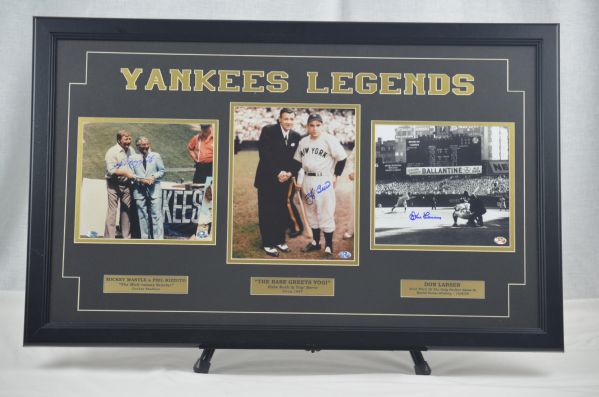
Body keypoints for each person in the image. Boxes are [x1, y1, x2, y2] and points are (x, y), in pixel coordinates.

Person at [294, 113, 347, 256]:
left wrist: (336, 175)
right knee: (310, 212)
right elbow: (298, 163)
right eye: (311, 125)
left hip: (323, 180)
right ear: (307, 126)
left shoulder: (329, 140)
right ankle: (315, 242)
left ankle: (329, 246)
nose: (314, 128)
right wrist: (299, 181)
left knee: (325, 212)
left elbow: (342, 158)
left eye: (318, 125)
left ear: (322, 126)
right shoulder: (303, 142)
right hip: (307, 180)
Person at [254, 108, 302, 257]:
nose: (288, 121)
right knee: (267, 211)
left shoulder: (296, 136)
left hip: (285, 180)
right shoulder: (268, 131)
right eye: (286, 118)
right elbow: (265, 154)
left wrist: (289, 173)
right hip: (267, 179)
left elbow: (297, 159)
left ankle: (280, 240)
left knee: (281, 211)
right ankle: (268, 243)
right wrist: (278, 172)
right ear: (280, 119)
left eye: (291, 119)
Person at [130, 137, 165, 239]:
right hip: (139, 190)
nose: (145, 147)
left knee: (156, 215)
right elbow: (130, 174)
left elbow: (162, 171)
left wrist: (154, 177)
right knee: (142, 216)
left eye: (147, 144)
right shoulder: (132, 158)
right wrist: (140, 180)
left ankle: (158, 239)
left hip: (155, 189)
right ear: (137, 146)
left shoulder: (156, 156)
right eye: (142, 145)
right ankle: (145, 239)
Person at [104, 129, 136, 239]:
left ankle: (126, 237)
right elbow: (112, 170)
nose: (129, 141)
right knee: (112, 211)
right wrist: (126, 173)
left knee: (126, 211)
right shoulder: (112, 152)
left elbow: (135, 163)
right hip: (113, 184)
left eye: (130, 138)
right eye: (126, 139)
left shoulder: (131, 150)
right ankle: (109, 239)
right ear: (119, 140)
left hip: (126, 184)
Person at [343, 145, 356, 240]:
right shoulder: (361, 144)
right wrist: (351, 171)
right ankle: (351, 230)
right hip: (359, 177)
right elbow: (350, 159)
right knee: (355, 205)